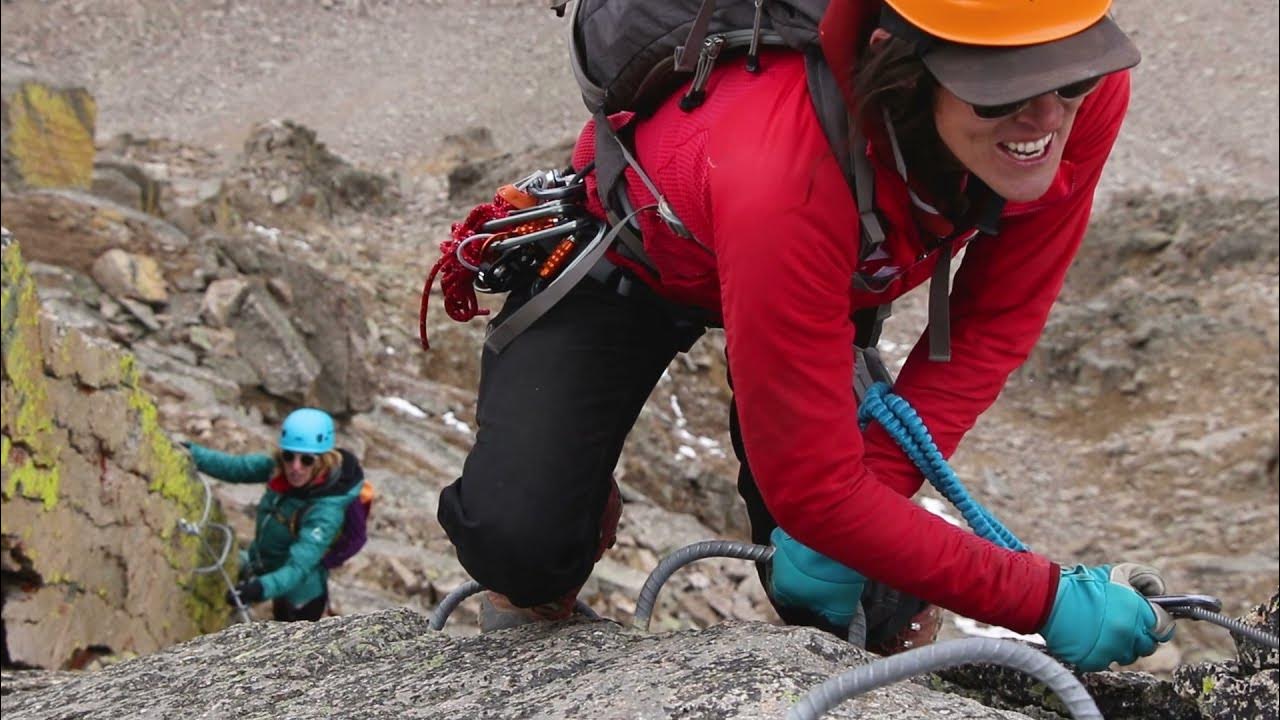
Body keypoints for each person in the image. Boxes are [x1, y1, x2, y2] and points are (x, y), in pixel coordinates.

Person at [436, 0, 1176, 670]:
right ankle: (561, 511)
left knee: (869, 585)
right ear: (900, 63)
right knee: (519, 539)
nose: (1046, 117)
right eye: (1002, 92)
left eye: (1070, 80)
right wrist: (1045, 599)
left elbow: (993, 322)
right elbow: (816, 493)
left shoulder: (1083, 83)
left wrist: (869, 495)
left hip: (826, 284)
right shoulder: (788, 164)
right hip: (640, 258)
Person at [185, 408, 365, 622]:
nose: (295, 467)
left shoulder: (325, 511)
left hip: (301, 594)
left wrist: (260, 588)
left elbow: (298, 568)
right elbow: (236, 468)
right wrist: (193, 453)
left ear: (322, 461)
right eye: (289, 456)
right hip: (265, 565)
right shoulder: (278, 470)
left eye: (307, 460)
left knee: (289, 634)